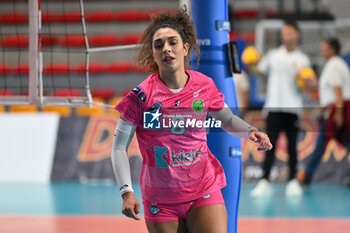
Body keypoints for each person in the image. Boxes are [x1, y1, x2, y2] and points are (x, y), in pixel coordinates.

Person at [111, 7, 272, 233]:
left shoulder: (204, 85)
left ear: (186, 48)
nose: (166, 48)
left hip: (203, 189)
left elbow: (226, 120)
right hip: (160, 199)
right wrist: (126, 192)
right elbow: (119, 147)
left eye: (172, 42)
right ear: (153, 54)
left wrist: (249, 131)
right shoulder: (141, 96)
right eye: (159, 45)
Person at [249, 21, 311, 198]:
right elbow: (259, 71)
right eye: (284, 33)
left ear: (296, 35)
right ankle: (265, 181)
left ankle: (292, 181)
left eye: (290, 33)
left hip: (293, 109)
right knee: (268, 145)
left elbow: (309, 84)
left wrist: (310, 83)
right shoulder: (273, 56)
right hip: (273, 107)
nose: (286, 36)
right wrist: (252, 64)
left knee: (292, 147)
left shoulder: (303, 59)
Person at [298, 38, 350, 186]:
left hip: (336, 109)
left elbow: (337, 89)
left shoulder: (334, 65)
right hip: (334, 108)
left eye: (324, 47)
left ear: (332, 50)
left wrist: (338, 112)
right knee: (346, 141)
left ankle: (307, 176)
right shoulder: (337, 64)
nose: (321, 50)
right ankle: (307, 175)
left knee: (321, 142)